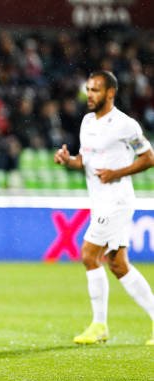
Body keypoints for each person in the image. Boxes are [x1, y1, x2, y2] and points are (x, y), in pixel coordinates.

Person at [54, 70, 154, 346]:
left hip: (117, 200)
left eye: (95, 90)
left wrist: (117, 172)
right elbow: (84, 161)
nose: (89, 95)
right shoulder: (87, 121)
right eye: (88, 89)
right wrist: (68, 160)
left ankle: (99, 325)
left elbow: (149, 158)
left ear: (110, 93)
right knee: (119, 265)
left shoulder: (126, 125)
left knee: (89, 254)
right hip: (99, 202)